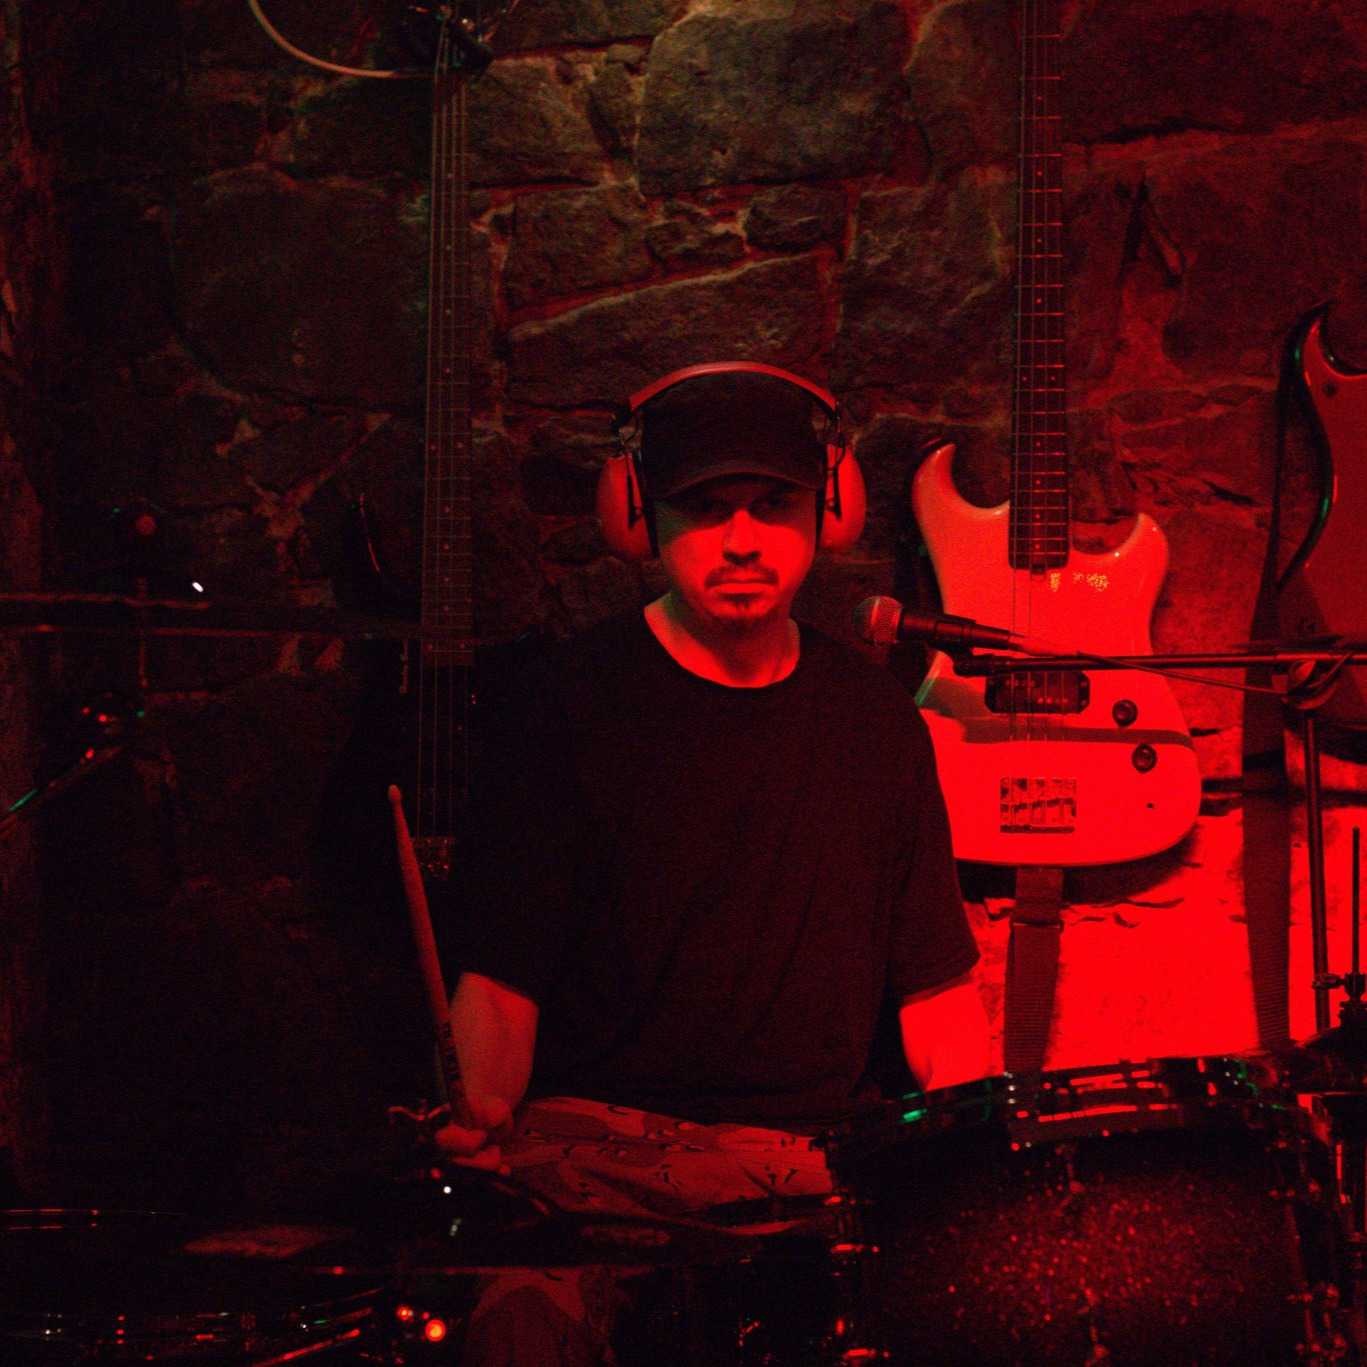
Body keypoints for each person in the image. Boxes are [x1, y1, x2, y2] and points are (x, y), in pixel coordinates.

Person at [438, 367, 989, 1364]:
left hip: (811, 1164)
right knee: (518, 1325)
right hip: (594, 1153)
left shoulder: (877, 722)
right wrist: (479, 1106)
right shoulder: (559, 706)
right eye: (703, 506)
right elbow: (502, 986)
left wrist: (973, 1146)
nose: (740, 539)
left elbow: (936, 998)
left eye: (772, 504)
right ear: (640, 517)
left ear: (825, 514)